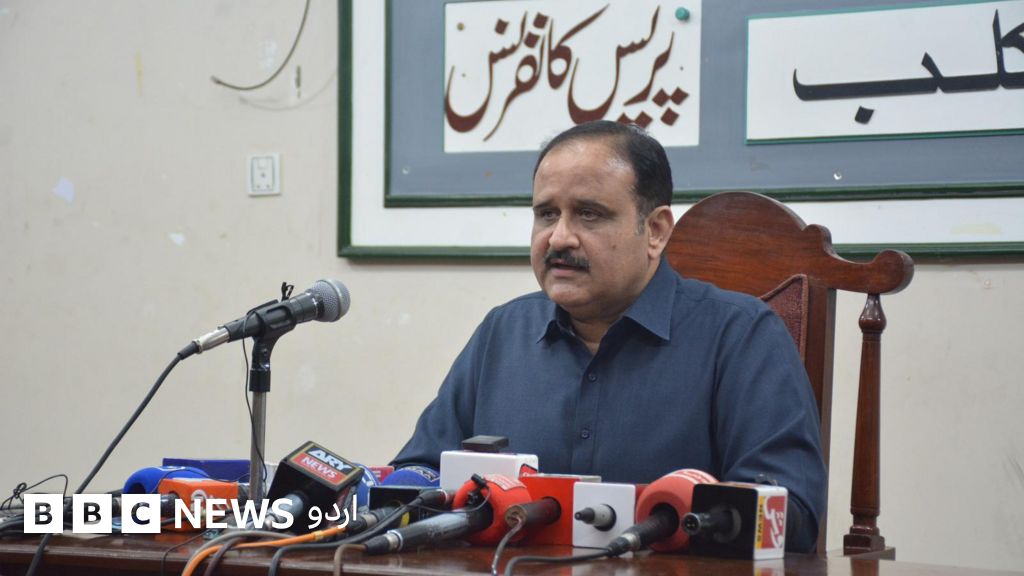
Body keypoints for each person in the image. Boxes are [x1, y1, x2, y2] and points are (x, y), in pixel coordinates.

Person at [391, 120, 826, 552]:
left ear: (655, 231)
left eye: (589, 214)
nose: (559, 238)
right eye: (546, 214)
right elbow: (418, 477)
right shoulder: (503, 332)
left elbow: (791, 514)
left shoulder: (741, 335)